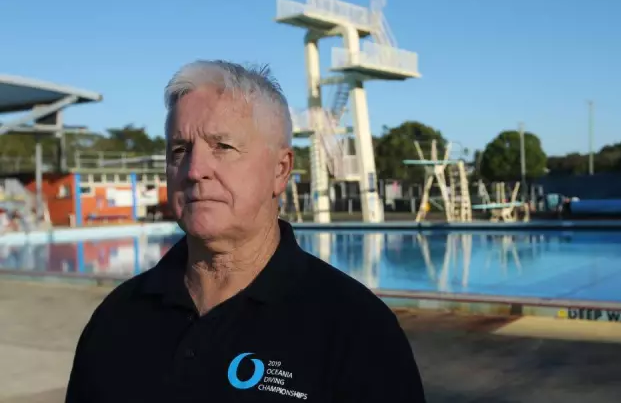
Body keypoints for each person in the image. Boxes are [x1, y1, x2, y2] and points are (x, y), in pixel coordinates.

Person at [65, 60, 426, 403]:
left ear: (281, 170)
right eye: (179, 149)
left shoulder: (357, 331)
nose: (194, 170)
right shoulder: (117, 317)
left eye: (222, 146)